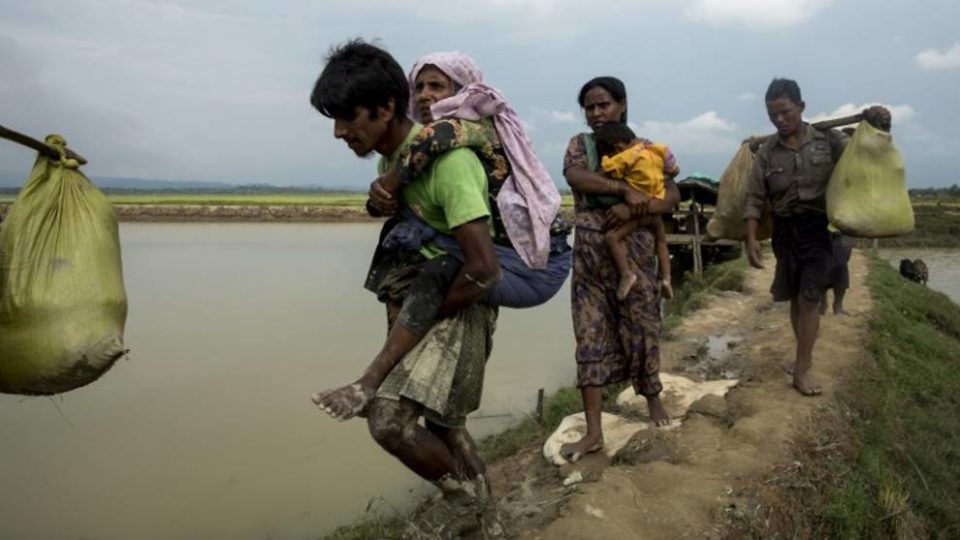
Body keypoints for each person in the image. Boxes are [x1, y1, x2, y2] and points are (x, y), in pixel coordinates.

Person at [312, 52, 569, 422]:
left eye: (438, 86)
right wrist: (379, 200)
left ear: (467, 91)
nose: (426, 96)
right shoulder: (413, 151)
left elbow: (434, 140)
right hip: (496, 253)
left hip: (534, 265)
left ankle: (372, 378)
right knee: (400, 241)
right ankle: (394, 360)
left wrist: (390, 182)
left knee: (439, 268)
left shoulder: (472, 129)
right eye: (419, 87)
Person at [308, 40, 500, 507]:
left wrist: (427, 316)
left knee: (387, 420)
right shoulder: (391, 161)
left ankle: (467, 501)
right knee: (444, 423)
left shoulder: (450, 162)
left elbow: (484, 267)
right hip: (428, 294)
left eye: (347, 117)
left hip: (460, 296)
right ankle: (490, 520)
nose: (338, 132)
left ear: (386, 107)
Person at [559, 76, 681, 462]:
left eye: (604, 105)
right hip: (592, 257)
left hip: (637, 248)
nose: (596, 113)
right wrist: (621, 190)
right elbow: (575, 176)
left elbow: (673, 194)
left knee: (643, 324)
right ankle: (594, 432)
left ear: (622, 105)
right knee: (589, 332)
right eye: (590, 107)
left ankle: (653, 399)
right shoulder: (581, 146)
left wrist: (635, 207)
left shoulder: (644, 148)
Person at [743, 77, 890, 396]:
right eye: (773, 116)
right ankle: (801, 357)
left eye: (785, 113)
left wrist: (878, 125)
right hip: (785, 231)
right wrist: (751, 238)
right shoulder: (767, 151)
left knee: (810, 296)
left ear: (801, 107)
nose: (780, 120)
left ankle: (802, 370)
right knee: (797, 297)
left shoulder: (827, 139)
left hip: (818, 229)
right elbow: (754, 197)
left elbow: (863, 158)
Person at [593, 121, 675, 300]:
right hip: (656, 210)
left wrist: (604, 162)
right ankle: (667, 279)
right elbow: (673, 168)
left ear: (617, 147)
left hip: (637, 212)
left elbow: (609, 169)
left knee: (612, 237)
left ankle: (626, 274)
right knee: (661, 241)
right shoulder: (655, 150)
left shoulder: (626, 156)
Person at [820, 230, 851, 316]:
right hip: (821, 229)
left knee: (841, 268)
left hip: (841, 230)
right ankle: (823, 303)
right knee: (821, 269)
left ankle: (838, 305)